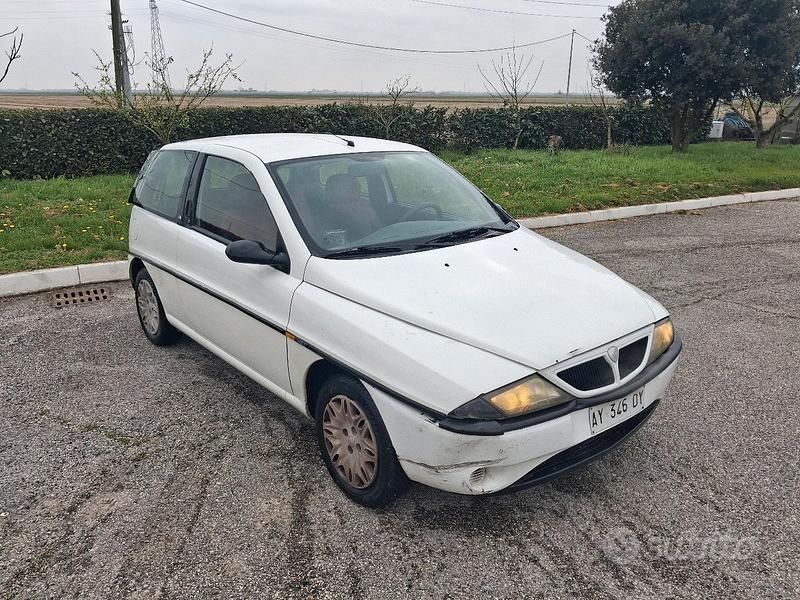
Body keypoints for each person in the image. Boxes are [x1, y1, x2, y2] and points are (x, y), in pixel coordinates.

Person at [322, 174, 381, 243]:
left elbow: (379, 229)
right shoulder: (329, 212)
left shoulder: (364, 204)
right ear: (337, 190)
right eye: (351, 187)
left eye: (357, 185)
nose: (357, 189)